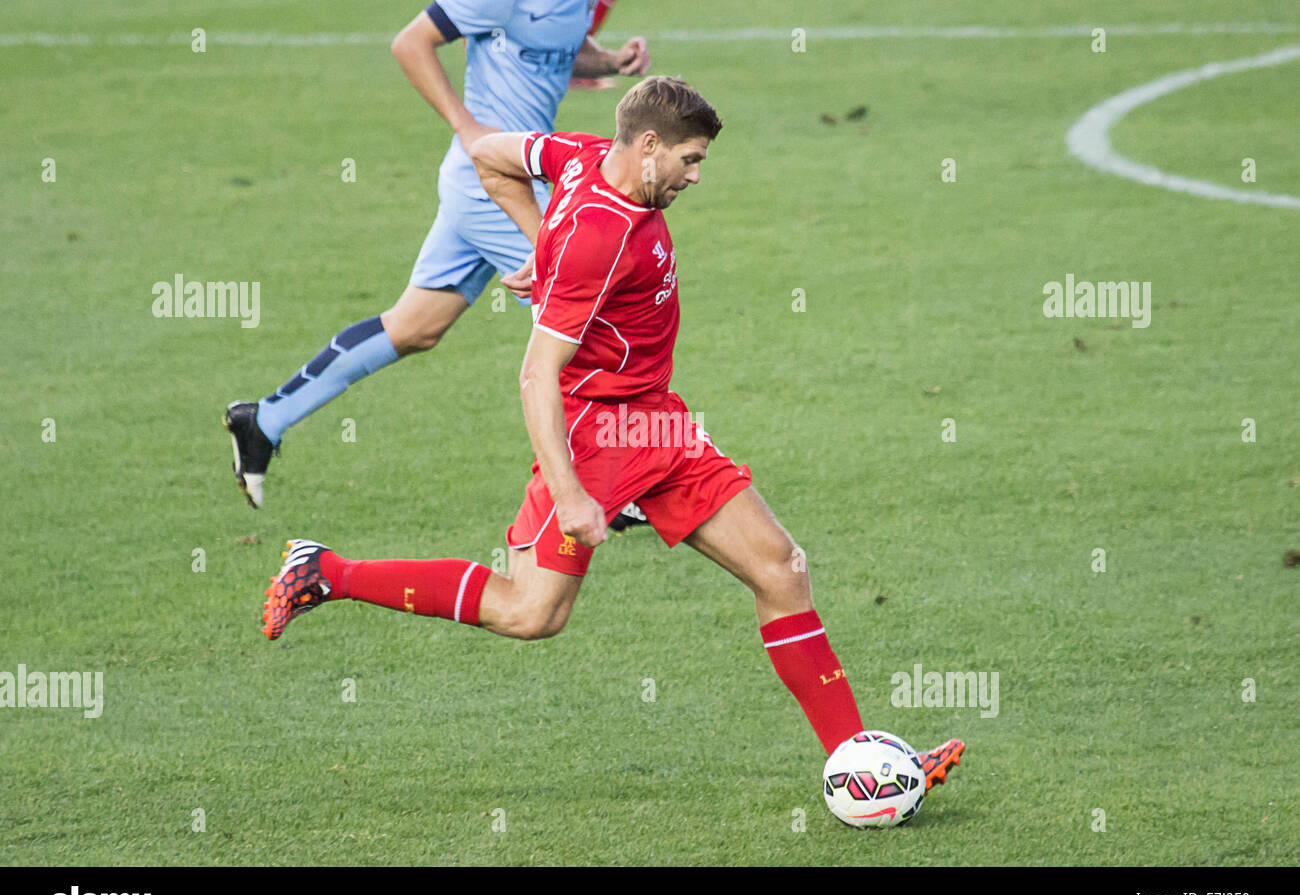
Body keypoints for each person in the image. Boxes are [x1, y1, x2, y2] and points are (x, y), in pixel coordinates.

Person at [257, 77, 965, 784]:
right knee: (530, 612)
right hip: (598, 434)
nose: (695, 176)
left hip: (656, 419)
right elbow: (537, 375)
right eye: (690, 160)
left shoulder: (578, 155)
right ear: (649, 145)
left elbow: (488, 155)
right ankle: (327, 572)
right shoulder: (599, 237)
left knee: (782, 569)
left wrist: (540, 249)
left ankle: (857, 765)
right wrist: (569, 492)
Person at [225, 1, 649, 509]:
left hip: (501, 176)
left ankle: (263, 421)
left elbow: (551, 49)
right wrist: (467, 128)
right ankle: (620, 485)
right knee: (585, 317)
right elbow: (410, 43)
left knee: (415, 326)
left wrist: (609, 61)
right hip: (488, 182)